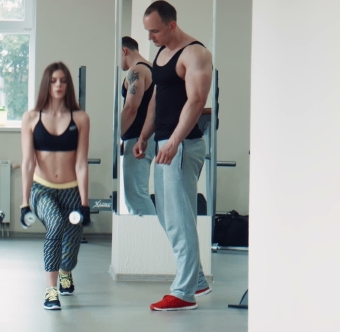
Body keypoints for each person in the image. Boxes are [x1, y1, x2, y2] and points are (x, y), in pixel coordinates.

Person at [133, 1, 213, 311]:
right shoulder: (161, 52)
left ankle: (183, 292)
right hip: (165, 143)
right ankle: (197, 280)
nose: (150, 37)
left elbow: (195, 101)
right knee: (169, 217)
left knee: (180, 220)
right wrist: (144, 136)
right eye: (147, 31)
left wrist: (174, 141)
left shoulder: (195, 54)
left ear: (171, 25)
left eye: (154, 30)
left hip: (183, 145)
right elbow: (156, 99)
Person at [20, 62, 91, 310]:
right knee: (56, 225)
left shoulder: (80, 118)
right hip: (43, 190)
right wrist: (24, 202)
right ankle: (51, 290)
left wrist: (84, 203)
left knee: (72, 239)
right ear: (46, 85)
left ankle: (65, 271)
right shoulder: (31, 118)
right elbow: (28, 163)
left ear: (68, 85)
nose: (58, 85)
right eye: (53, 81)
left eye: (62, 80)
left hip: (71, 190)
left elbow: (81, 163)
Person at [120, 36, 156, 216]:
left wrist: (117, 136)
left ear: (124, 51)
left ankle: (151, 240)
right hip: (146, 137)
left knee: (136, 196)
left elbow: (130, 108)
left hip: (138, 139)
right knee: (138, 193)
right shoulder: (151, 68)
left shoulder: (136, 71)